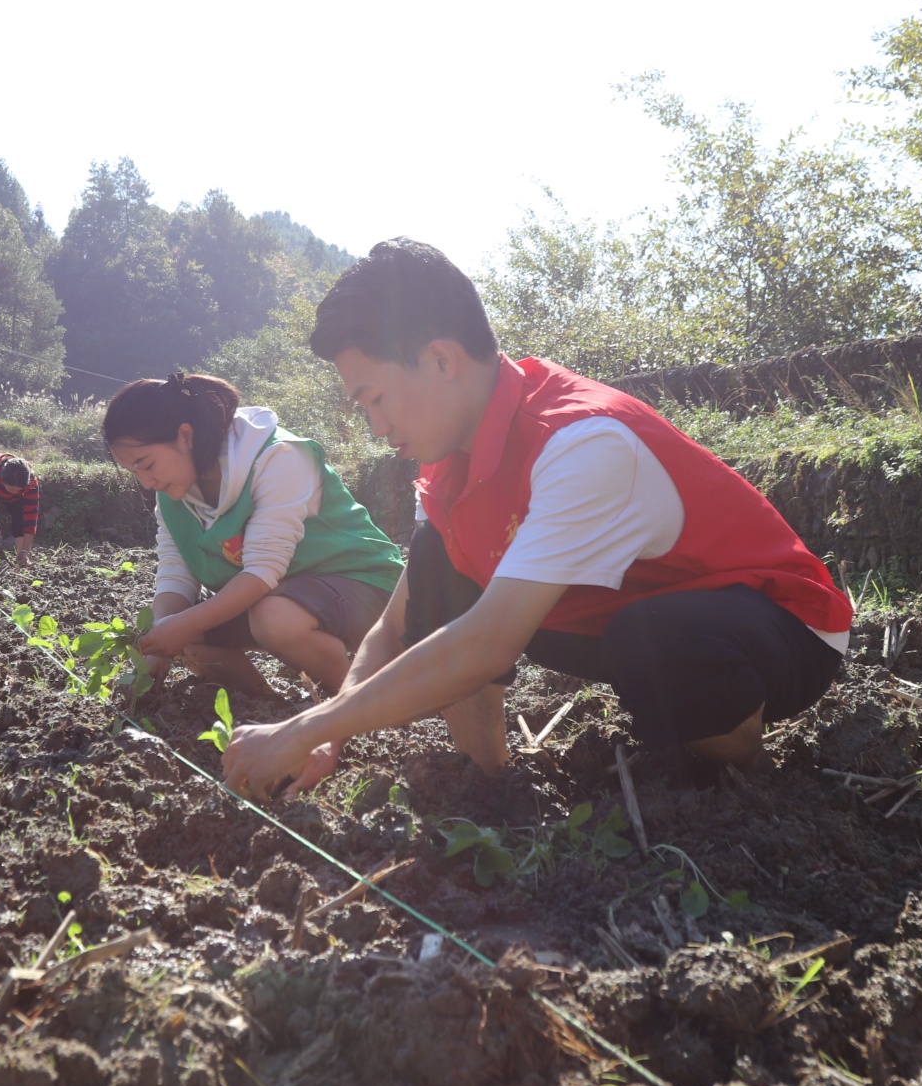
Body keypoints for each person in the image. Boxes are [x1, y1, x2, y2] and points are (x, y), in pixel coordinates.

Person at [223, 238, 853, 801]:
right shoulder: (448, 464)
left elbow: (489, 642)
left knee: (655, 639)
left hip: (782, 627)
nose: (376, 427)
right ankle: (491, 784)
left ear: (441, 360)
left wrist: (302, 726)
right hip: (626, 615)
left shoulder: (580, 442)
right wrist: (328, 737)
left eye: (377, 399)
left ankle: (740, 783)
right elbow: (394, 629)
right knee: (440, 570)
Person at [105, 374, 405, 718]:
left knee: (272, 619)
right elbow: (176, 570)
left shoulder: (278, 457)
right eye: (134, 472)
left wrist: (182, 625)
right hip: (282, 598)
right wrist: (161, 637)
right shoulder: (173, 493)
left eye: (147, 464)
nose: (146, 482)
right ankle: (267, 705)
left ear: (185, 436)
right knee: (181, 632)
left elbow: (263, 571)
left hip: (366, 592)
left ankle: (359, 705)